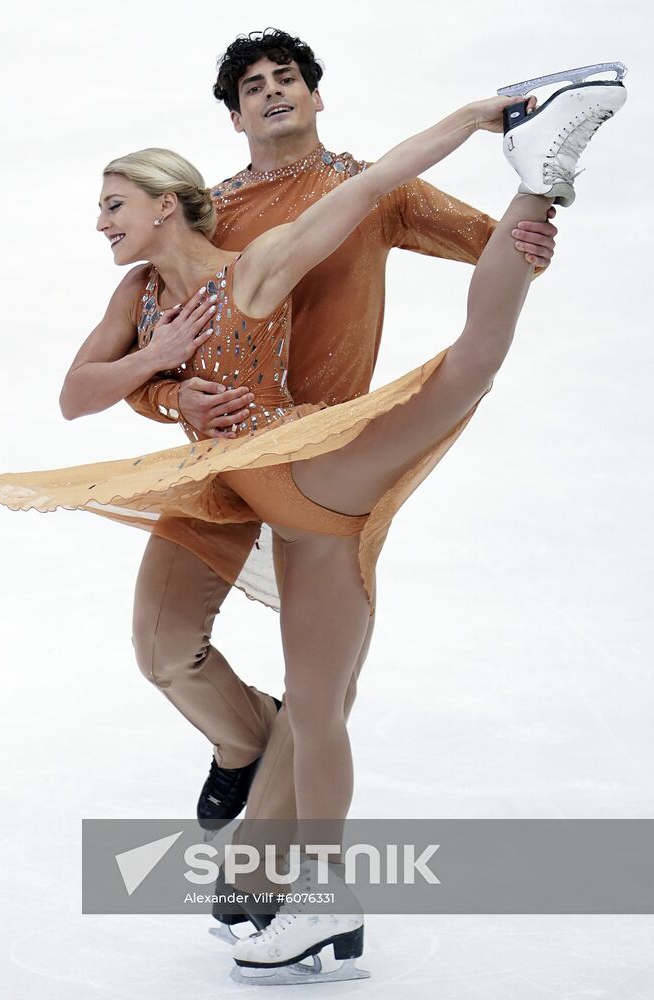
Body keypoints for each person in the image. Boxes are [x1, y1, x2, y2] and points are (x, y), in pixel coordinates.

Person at [0, 67, 626, 979]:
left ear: (168, 207)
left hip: (300, 464)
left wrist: (479, 116)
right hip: (276, 501)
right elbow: (73, 397)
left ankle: (543, 170)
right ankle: (319, 905)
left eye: (114, 203)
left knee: (468, 366)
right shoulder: (143, 299)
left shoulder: (256, 265)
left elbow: (370, 186)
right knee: (318, 711)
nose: (100, 221)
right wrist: (159, 369)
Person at [122, 30, 559, 843]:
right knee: (162, 646)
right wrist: (174, 400)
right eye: (253, 86)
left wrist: (526, 241)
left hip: (330, 463)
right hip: (222, 461)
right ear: (234, 115)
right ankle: (241, 739)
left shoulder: (372, 189)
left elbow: (499, 250)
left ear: (317, 96)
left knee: (319, 683)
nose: (273, 91)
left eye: (287, 78)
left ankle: (265, 876)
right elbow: (146, 350)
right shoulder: (209, 213)